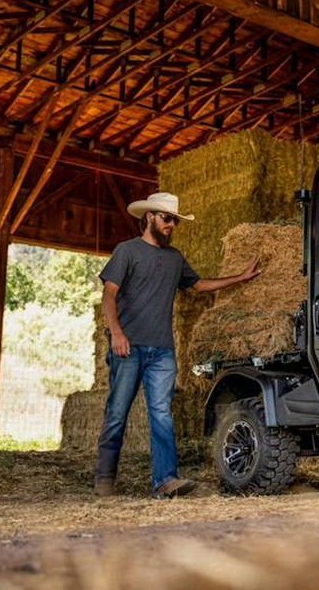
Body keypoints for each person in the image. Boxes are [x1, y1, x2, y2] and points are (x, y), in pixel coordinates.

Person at [93, 192, 260, 499]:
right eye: (166, 218)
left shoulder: (175, 258)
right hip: (128, 347)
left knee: (162, 414)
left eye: (174, 220)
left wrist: (240, 278)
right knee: (117, 413)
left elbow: (199, 285)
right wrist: (115, 333)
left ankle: (165, 480)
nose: (171, 225)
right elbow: (109, 294)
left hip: (162, 351)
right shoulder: (127, 251)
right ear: (149, 217)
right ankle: (104, 479)